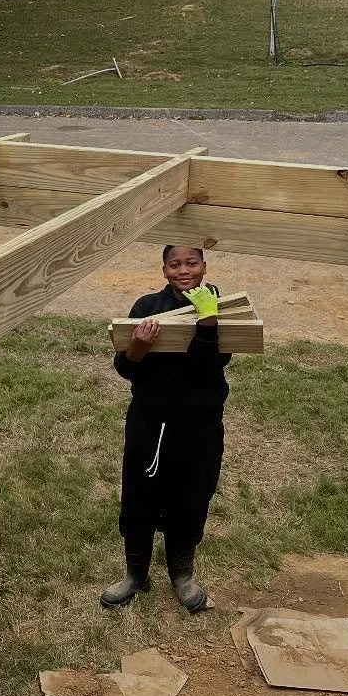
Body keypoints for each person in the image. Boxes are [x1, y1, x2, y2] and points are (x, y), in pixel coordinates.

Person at [103, 245, 230, 614]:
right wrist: (138, 347)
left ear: (204, 266)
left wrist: (208, 323)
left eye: (191, 263)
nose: (183, 270)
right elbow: (125, 369)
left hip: (199, 424)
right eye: (175, 264)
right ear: (164, 270)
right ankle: (135, 574)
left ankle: (182, 576)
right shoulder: (146, 308)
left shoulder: (222, 308)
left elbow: (214, 364)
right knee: (140, 494)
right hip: (150, 421)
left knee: (192, 495)